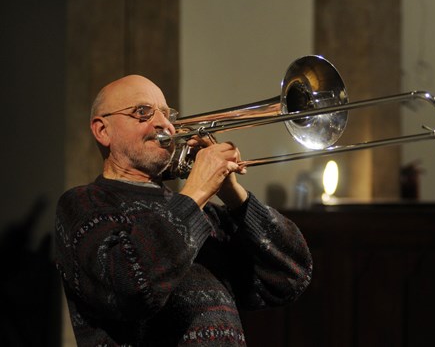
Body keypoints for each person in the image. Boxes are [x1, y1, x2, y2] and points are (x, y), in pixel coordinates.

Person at [54, 75, 313, 346]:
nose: (164, 124)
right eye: (142, 112)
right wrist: (198, 190)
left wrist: (234, 196)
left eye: (167, 114)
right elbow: (131, 285)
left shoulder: (205, 215)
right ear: (102, 131)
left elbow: (290, 277)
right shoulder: (85, 203)